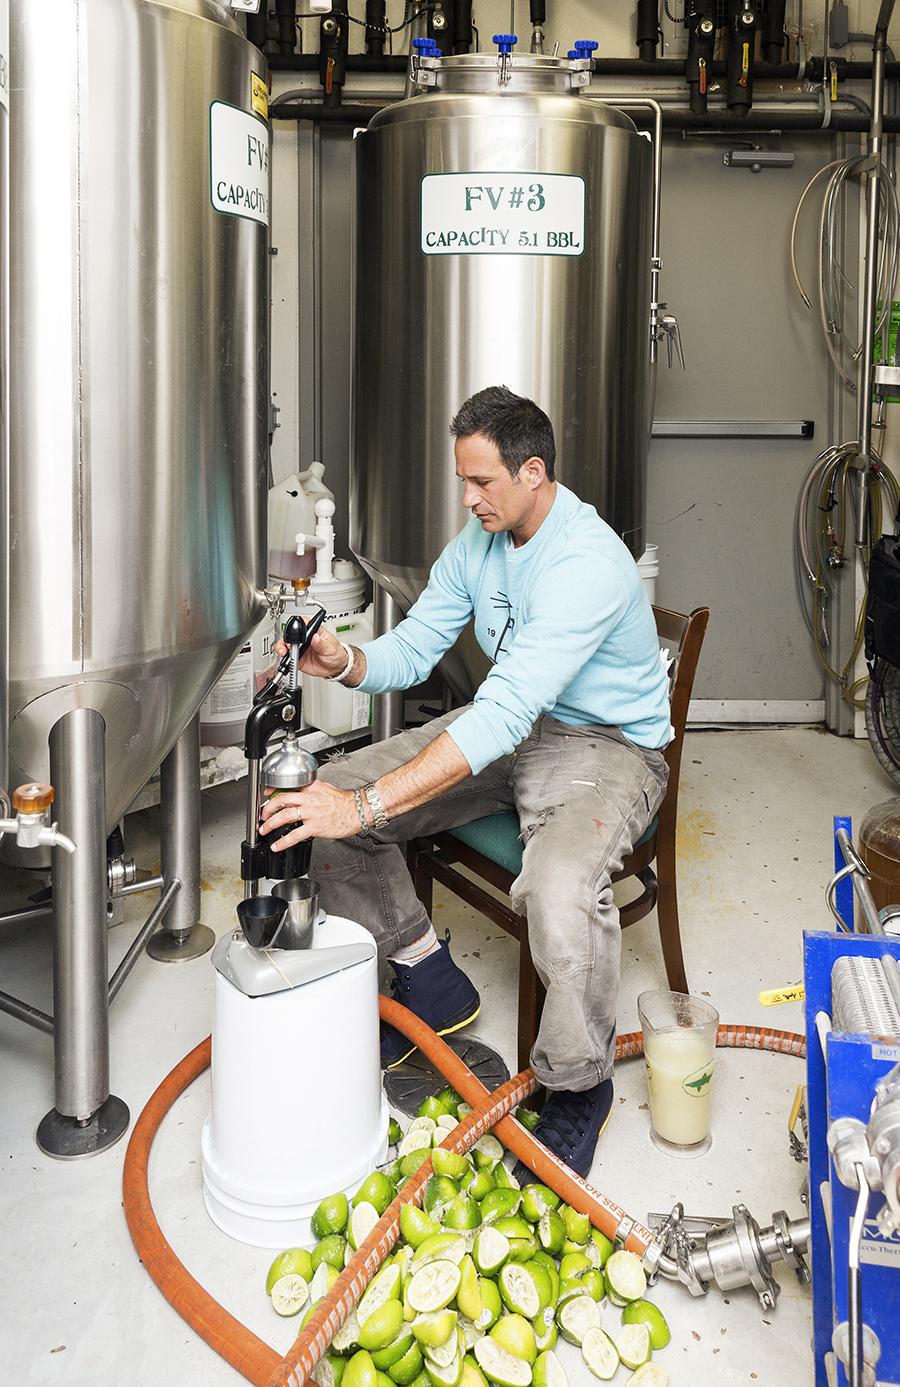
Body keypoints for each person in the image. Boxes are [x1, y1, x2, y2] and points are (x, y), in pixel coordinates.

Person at [260, 386, 671, 1179]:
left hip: (607, 748)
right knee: (321, 798)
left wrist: (365, 806)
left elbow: (502, 711)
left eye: (482, 481)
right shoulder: (483, 539)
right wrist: (344, 660)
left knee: (557, 888)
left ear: (533, 472)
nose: (468, 498)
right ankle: (428, 976)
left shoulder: (585, 562)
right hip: (515, 724)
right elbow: (417, 645)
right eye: (463, 480)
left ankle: (579, 1085)